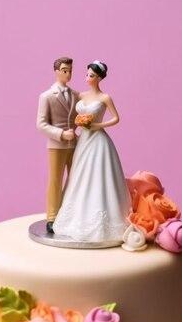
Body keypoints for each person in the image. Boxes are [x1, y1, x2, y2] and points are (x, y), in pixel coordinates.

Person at [52, 61, 131, 243]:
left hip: (98, 140)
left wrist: (97, 125)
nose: (88, 78)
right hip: (83, 140)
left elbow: (116, 118)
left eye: (92, 75)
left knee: (99, 175)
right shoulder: (81, 95)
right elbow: (69, 111)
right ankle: (76, 215)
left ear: (100, 78)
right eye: (87, 74)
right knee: (79, 175)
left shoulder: (105, 98)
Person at [37, 57, 79, 233]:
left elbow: (77, 116)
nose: (68, 74)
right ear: (56, 71)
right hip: (57, 145)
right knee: (55, 180)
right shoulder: (46, 96)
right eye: (64, 70)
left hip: (75, 144)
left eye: (70, 70)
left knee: (75, 179)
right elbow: (41, 124)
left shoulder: (76, 95)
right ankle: (52, 217)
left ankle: (71, 213)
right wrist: (61, 134)